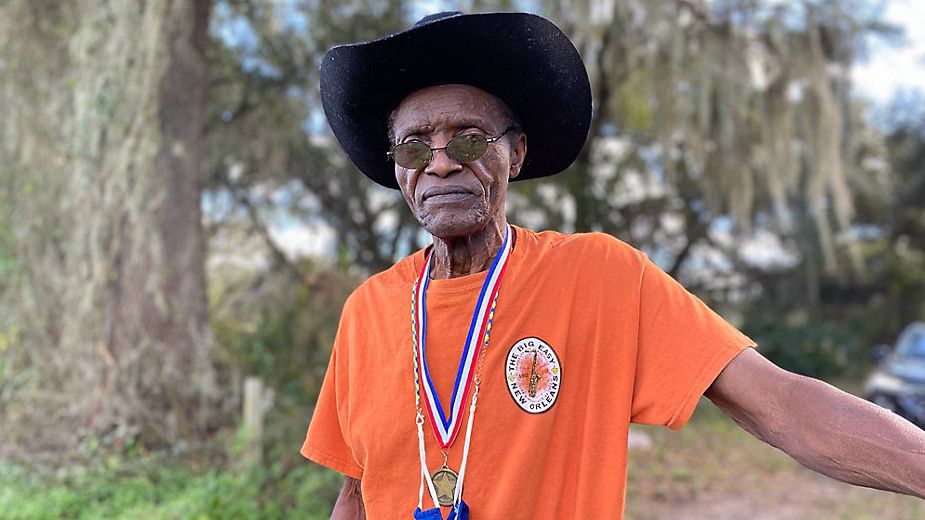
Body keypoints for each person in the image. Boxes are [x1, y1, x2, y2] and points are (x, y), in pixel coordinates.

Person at [302, 11, 925, 519]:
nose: (440, 162)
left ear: (515, 154)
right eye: (415, 145)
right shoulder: (368, 311)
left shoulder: (601, 278)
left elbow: (779, 403)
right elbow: (359, 493)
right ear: (398, 169)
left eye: (469, 138)